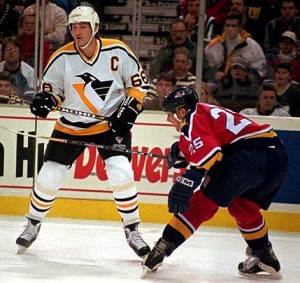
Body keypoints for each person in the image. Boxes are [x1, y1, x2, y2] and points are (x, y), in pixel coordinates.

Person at [16, 5, 151, 258]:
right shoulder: (62, 56)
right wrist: (47, 101)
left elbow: (138, 85)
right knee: (50, 174)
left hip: (109, 125)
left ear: (95, 28)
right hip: (70, 126)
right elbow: (52, 92)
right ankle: (33, 223)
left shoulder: (118, 51)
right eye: (73, 27)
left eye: (82, 27)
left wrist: (131, 108)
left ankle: (132, 229)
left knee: (120, 171)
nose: (77, 32)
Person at [142, 86, 288, 279]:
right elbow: (206, 143)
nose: (168, 119)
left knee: (199, 206)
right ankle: (265, 255)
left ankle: (161, 248)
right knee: (243, 207)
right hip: (276, 158)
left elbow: (211, 152)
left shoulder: (193, 117)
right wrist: (179, 152)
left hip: (245, 159)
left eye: (170, 114)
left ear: (181, 111)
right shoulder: (204, 113)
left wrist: (189, 178)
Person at [204, 11, 266, 87]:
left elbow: (260, 70)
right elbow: (206, 69)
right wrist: (214, 74)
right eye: (228, 25)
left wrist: (248, 77)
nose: (230, 29)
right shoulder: (213, 46)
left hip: (245, 86)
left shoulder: (252, 46)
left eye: (234, 26)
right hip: (219, 86)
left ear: (239, 27)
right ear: (224, 27)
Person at [0, 36, 34, 100]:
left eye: (14, 50)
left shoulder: (29, 73)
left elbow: (30, 98)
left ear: (20, 53)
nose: (10, 52)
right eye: (7, 49)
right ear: (3, 53)